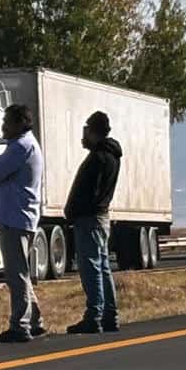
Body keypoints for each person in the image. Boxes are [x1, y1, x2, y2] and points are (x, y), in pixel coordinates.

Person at [0, 103, 46, 342]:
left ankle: (20, 326)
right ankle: (34, 319)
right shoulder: (25, 146)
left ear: (20, 123)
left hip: (15, 216)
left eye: (7, 122)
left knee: (16, 273)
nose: (3, 126)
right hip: (18, 216)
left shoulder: (20, 147)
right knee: (20, 271)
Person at [64, 110, 123, 334]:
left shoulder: (98, 158)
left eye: (86, 130)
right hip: (100, 216)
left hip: (89, 218)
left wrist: (74, 210)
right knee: (103, 266)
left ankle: (94, 315)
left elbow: (88, 191)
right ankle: (110, 314)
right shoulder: (111, 156)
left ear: (92, 130)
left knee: (91, 268)